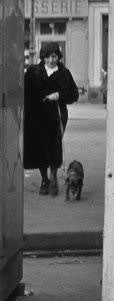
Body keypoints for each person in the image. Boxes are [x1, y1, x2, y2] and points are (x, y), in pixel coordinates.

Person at [23, 42, 79, 196]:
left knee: (54, 146)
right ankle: (44, 180)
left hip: (57, 115)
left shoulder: (64, 73)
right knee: (40, 147)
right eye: (47, 57)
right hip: (37, 116)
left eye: (54, 56)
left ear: (58, 56)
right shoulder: (33, 71)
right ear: (43, 57)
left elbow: (74, 94)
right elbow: (25, 92)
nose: (51, 60)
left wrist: (59, 95)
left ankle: (53, 176)